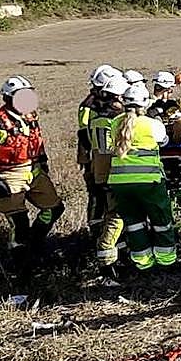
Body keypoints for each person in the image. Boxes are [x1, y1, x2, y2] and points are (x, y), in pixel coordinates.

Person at [0, 76, 64, 264]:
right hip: (10, 175)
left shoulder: (30, 117)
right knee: (20, 224)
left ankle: (35, 242)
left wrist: (43, 165)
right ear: (8, 98)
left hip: (35, 171)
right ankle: (20, 270)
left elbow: (37, 145)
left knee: (54, 208)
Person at [108, 83, 176, 271]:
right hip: (149, 182)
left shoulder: (114, 123)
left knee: (134, 224)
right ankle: (166, 261)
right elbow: (165, 142)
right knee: (161, 221)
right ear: (145, 104)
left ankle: (143, 264)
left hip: (120, 184)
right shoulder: (152, 124)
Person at [92, 73, 130, 273]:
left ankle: (120, 257)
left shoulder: (105, 118)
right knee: (115, 216)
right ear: (115, 97)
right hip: (109, 174)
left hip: (107, 174)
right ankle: (106, 263)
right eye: (123, 97)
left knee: (118, 216)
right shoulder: (106, 121)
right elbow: (110, 151)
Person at [79, 64, 120, 237]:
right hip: (95, 156)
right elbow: (84, 134)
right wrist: (88, 159)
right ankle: (96, 229)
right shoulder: (89, 106)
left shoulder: (102, 103)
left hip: (102, 154)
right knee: (97, 193)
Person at [148, 71, 181, 142]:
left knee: (180, 122)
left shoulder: (174, 103)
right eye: (158, 88)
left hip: (171, 136)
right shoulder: (148, 102)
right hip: (155, 135)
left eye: (169, 91)